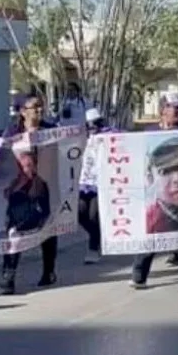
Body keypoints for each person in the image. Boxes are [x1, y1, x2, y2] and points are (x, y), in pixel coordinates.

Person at [130, 95, 178, 289]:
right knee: (152, 232)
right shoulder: (151, 133)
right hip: (161, 195)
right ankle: (139, 275)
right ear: (163, 110)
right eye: (174, 107)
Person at [0, 94, 58, 294]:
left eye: (40, 107)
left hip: (45, 188)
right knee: (14, 231)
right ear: (23, 111)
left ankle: (49, 272)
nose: (38, 111)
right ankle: (8, 278)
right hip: (20, 189)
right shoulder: (12, 132)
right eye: (34, 107)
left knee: (47, 229)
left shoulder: (52, 130)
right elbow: (0, 157)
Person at [77, 107, 116, 265]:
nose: (92, 128)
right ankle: (99, 235)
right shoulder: (82, 137)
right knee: (80, 214)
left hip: (101, 182)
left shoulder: (109, 134)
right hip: (83, 182)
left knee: (94, 216)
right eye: (89, 125)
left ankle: (93, 248)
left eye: (94, 124)